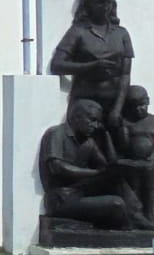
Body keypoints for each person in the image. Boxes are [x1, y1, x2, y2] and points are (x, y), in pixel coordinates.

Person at [47, 0, 133, 129]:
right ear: (88, 5)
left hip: (114, 102)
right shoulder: (78, 32)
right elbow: (57, 65)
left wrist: (117, 109)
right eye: (99, 3)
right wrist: (91, 66)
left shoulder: (122, 34)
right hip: (85, 104)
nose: (105, 7)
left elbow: (125, 75)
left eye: (108, 3)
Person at [38, 98, 134, 230]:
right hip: (62, 199)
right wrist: (95, 173)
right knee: (117, 204)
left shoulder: (88, 142)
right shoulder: (56, 133)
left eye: (98, 122)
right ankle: (132, 223)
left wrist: (106, 135)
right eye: (92, 120)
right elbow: (58, 167)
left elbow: (108, 167)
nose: (95, 126)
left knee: (116, 179)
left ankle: (138, 213)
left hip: (82, 193)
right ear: (77, 117)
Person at [114, 85, 154, 231]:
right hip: (132, 163)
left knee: (150, 190)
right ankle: (136, 218)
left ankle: (149, 215)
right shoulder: (127, 123)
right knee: (134, 189)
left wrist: (152, 158)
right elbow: (123, 145)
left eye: (142, 105)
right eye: (134, 107)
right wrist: (122, 130)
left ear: (148, 101)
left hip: (150, 164)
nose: (139, 110)